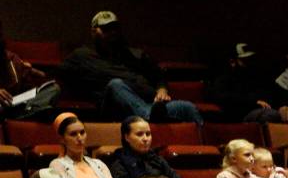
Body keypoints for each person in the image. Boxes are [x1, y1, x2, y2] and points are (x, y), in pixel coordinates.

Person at [60, 11, 201, 123]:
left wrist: (162, 89)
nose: (111, 33)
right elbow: (59, 76)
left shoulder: (134, 54)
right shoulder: (81, 55)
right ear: (93, 31)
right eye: (105, 29)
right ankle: (147, 116)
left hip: (151, 104)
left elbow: (158, 76)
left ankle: (218, 155)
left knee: (188, 108)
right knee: (116, 84)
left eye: (114, 28)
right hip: (115, 108)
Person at [0, 18, 60, 121]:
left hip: (13, 104)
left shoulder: (12, 59)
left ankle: (29, 112)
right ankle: (31, 113)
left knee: (53, 89)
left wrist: (32, 75)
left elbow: (25, 89)